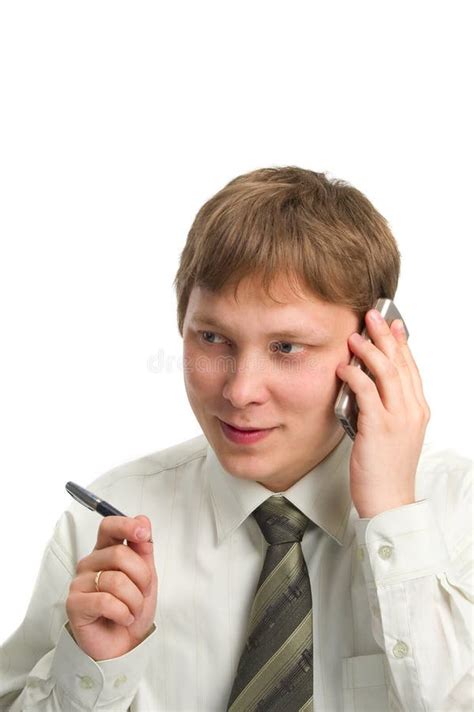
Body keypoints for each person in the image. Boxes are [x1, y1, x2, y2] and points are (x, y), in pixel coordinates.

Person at [0, 166, 471, 712]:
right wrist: (93, 668)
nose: (241, 390)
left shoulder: (459, 516)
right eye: (213, 338)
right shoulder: (103, 533)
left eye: (287, 347)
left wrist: (393, 514)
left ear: (375, 349)